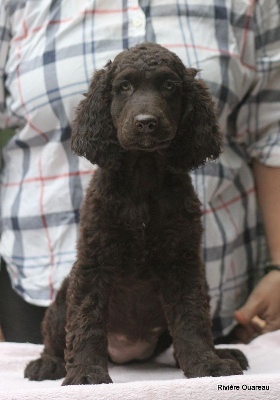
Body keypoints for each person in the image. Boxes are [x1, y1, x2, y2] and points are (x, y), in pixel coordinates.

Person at [0, 0, 280, 345]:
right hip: (38, 291)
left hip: (213, 308)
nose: (145, 113)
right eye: (126, 88)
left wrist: (279, 265)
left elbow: (274, 134)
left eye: (167, 88)